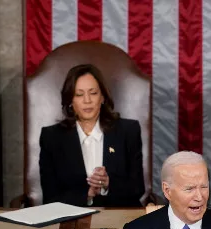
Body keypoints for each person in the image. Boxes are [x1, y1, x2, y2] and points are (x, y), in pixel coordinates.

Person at [39, 64, 145, 207]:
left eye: (93, 93)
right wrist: (87, 194)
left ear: (102, 97)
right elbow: (50, 197)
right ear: (70, 101)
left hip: (119, 215)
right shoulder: (52, 138)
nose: (87, 100)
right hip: (72, 218)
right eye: (79, 94)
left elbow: (137, 188)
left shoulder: (128, 131)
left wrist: (108, 184)